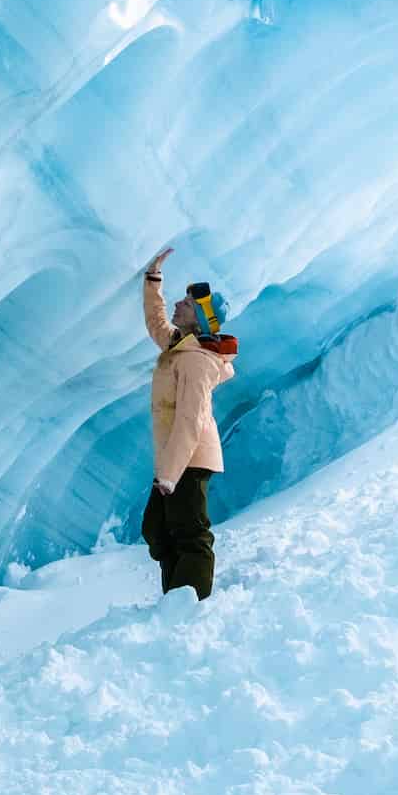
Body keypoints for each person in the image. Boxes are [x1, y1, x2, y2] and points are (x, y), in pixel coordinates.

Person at [139, 245, 237, 601]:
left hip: (190, 458)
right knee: (157, 529)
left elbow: (191, 420)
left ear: (198, 318)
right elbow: (156, 324)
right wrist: (153, 279)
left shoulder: (197, 361)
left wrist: (169, 474)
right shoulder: (181, 346)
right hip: (174, 456)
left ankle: (190, 601)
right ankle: (175, 598)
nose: (179, 304)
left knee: (189, 532)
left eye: (187, 304)